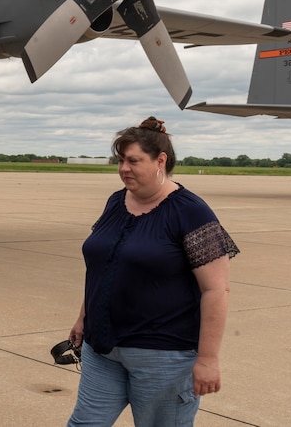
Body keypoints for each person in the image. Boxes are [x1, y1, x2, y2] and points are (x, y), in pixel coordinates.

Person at [66, 117, 239, 427]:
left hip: (163, 357)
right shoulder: (116, 202)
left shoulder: (190, 211)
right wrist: (83, 317)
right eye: (120, 160)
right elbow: (104, 265)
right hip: (102, 348)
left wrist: (208, 358)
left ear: (161, 160)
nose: (123, 169)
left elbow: (217, 289)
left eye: (133, 161)